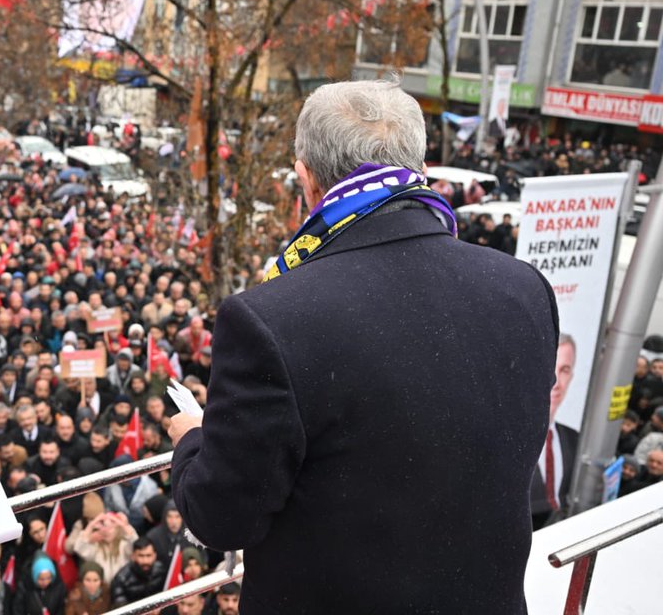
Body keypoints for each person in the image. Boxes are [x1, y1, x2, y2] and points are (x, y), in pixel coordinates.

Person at [168, 81, 558, 613]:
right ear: (419, 166)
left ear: (305, 178)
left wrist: (192, 441)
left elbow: (221, 517)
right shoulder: (524, 288)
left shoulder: (269, 318)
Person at [531, 335, 579, 529]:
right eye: (550, 368)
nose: (556, 381)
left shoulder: (574, 439)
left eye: (564, 370)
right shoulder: (504, 439)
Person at [109, 537, 165, 607]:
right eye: (141, 556)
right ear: (133, 556)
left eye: (148, 555)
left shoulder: (160, 570)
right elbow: (121, 607)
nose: (145, 561)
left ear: (154, 556)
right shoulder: (121, 579)